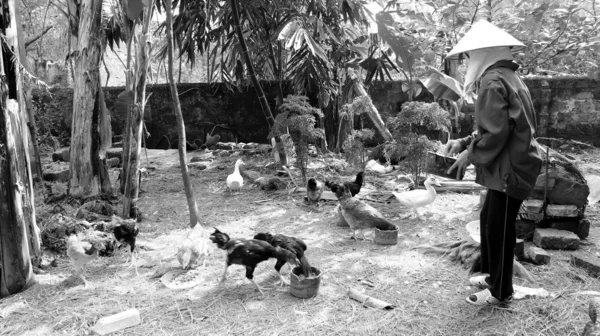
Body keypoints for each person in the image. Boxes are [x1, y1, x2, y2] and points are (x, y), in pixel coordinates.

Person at [443, 20, 543, 306]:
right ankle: (492, 276)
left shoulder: (492, 80)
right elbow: (496, 125)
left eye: (469, 56)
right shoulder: (510, 77)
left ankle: (501, 291)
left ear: (483, 52)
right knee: (490, 221)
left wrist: (468, 154)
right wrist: (464, 143)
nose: (467, 61)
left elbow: (496, 133)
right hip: (517, 163)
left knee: (499, 228)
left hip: (510, 168)